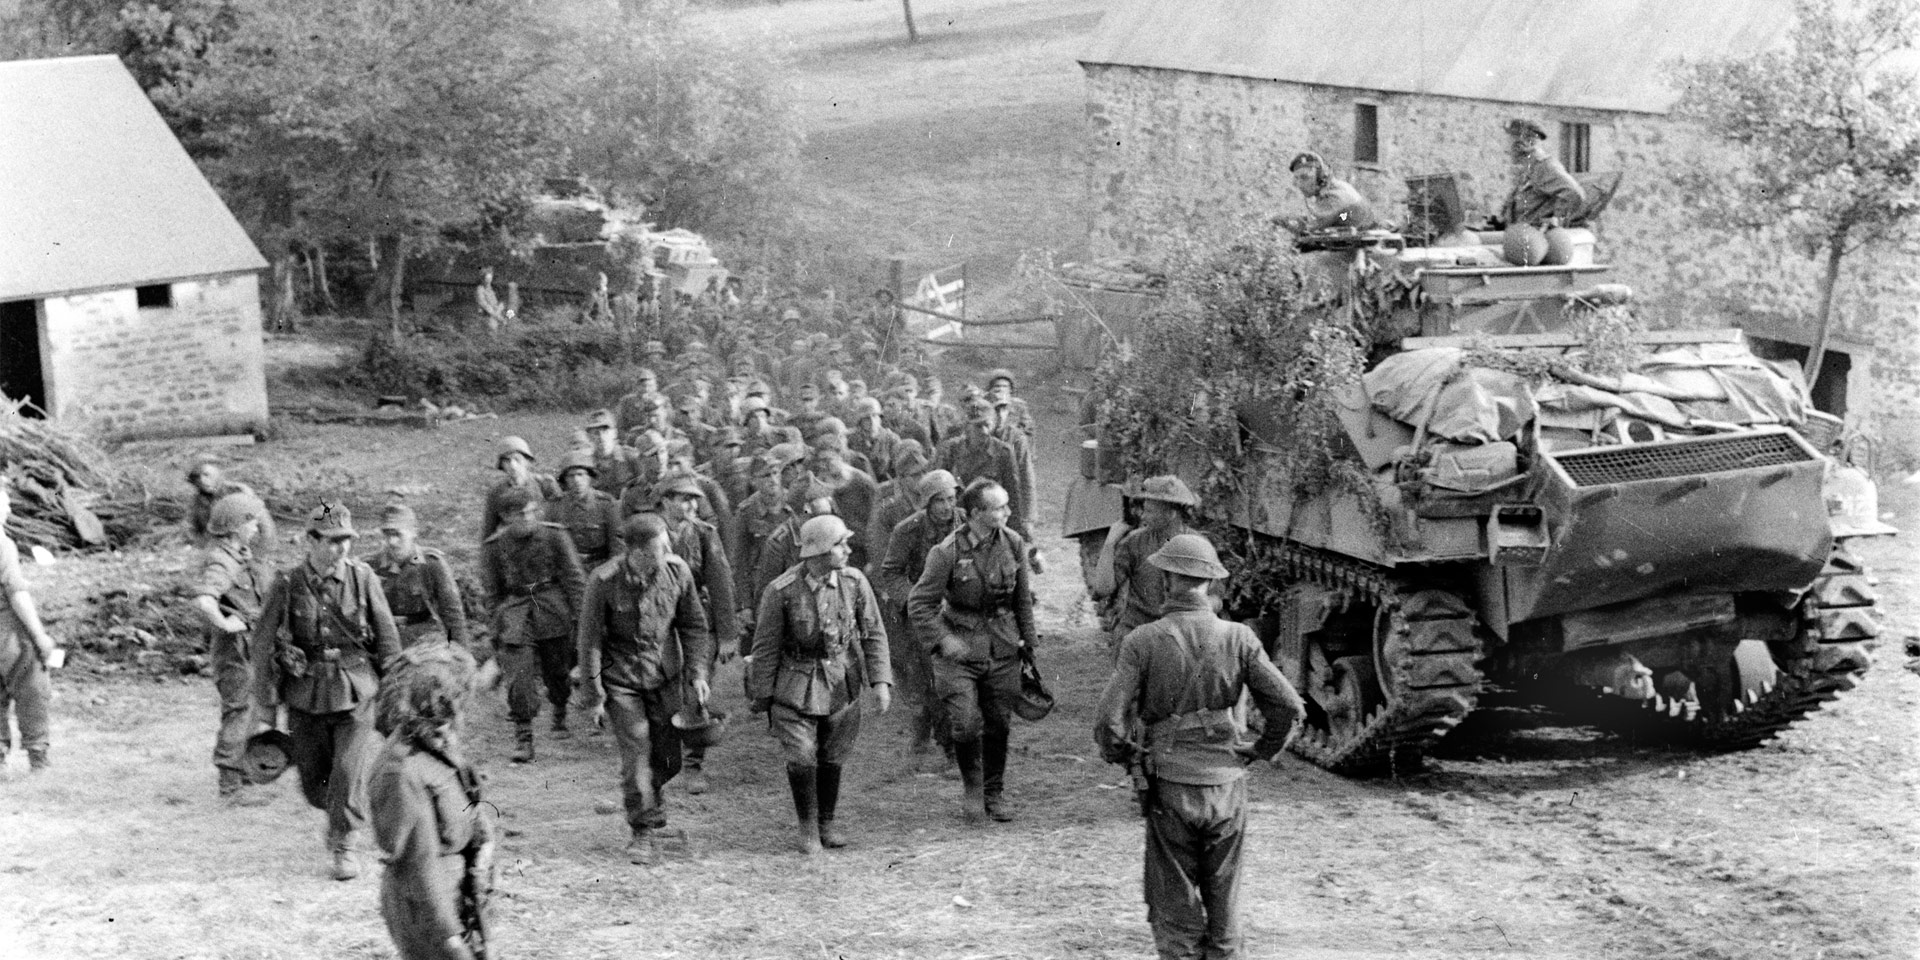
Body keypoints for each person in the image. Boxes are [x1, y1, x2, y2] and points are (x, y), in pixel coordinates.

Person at [1094, 534, 1306, 960]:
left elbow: (1109, 723)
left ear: (1169, 579)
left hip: (1171, 782)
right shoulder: (1239, 637)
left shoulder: (1143, 640)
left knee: (1174, 904)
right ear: (1209, 582)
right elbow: (1288, 705)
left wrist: (1128, 758)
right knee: (1225, 898)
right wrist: (1262, 749)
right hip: (1227, 785)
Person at [252, 502, 402, 880]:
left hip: (356, 688)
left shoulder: (363, 578)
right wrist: (267, 704)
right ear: (311, 540)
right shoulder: (287, 584)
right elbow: (262, 644)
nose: (342, 549)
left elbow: (387, 639)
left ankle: (344, 842)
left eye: (347, 541)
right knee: (315, 783)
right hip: (304, 692)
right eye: (333, 541)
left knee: (348, 770)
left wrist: (396, 693)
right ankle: (335, 814)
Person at [575, 513, 714, 865]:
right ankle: (642, 829)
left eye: (668, 545)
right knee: (637, 751)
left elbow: (694, 626)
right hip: (621, 679)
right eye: (660, 547)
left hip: (665, 674)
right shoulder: (604, 581)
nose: (669, 551)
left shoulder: (677, 572)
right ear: (635, 551)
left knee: (668, 758)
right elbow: (589, 641)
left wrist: (698, 674)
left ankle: (652, 798)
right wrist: (594, 696)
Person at [749, 515, 892, 854]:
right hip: (795, 684)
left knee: (832, 756)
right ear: (819, 552)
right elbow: (765, 648)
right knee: (801, 757)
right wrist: (762, 697)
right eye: (840, 544)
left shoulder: (855, 582)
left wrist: (880, 681)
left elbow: (873, 633)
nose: (847, 550)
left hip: (841, 680)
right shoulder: (781, 591)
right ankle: (807, 828)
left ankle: (826, 822)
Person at [907, 479, 1037, 823]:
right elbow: (919, 604)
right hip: (960, 648)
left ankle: (994, 793)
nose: (1007, 512)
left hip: (1003, 646)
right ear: (976, 513)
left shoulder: (1013, 542)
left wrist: (1030, 644)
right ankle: (973, 792)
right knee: (964, 722)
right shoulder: (947, 551)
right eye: (998, 508)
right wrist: (943, 639)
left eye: (1007, 506)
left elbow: (1022, 599)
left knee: (999, 723)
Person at [369, 643, 495, 960]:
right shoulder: (402, 771)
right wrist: (449, 938)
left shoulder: (434, 744)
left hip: (459, 895)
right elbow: (419, 866)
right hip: (428, 910)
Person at [479, 486, 586, 762]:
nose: (528, 518)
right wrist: (498, 625)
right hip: (515, 612)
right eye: (520, 514)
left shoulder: (555, 536)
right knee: (519, 676)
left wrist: (581, 617)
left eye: (531, 512)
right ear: (505, 517)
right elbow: (491, 593)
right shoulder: (494, 547)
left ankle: (560, 706)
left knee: (557, 671)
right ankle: (523, 735)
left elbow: (574, 578)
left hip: (551, 608)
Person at [653, 470, 738, 795]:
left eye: (694, 499)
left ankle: (693, 764)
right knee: (661, 689)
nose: (691, 505)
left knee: (697, 686)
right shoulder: (649, 532)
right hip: (658, 623)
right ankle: (664, 758)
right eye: (684, 498)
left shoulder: (704, 534)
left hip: (698, 621)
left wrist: (728, 633)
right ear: (664, 501)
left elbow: (720, 581)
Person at [187, 491, 272, 803]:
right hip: (235, 650)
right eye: (250, 521)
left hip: (251, 646)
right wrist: (224, 623)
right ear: (237, 527)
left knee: (253, 709)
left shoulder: (240, 555)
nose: (255, 527)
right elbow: (204, 599)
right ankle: (230, 787)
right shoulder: (221, 560)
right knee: (239, 710)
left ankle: (242, 773)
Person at [878, 469, 961, 760]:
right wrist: (915, 601)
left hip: (959, 607)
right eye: (939, 500)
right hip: (920, 614)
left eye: (951, 499)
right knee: (930, 681)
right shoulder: (907, 530)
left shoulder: (968, 524)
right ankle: (944, 742)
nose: (946, 507)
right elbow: (891, 572)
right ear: (926, 503)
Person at [0, 485, 64, 773]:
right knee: (31, 687)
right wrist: (39, 635)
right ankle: (38, 757)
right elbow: (16, 593)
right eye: (5, 505)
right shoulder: (3, 544)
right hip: (6, 631)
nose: (10, 510)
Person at [1101, 476, 1203, 645]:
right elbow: (1103, 588)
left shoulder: (1198, 546)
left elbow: (1216, 599)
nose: (1142, 516)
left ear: (1170, 513)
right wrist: (1109, 544)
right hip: (1140, 629)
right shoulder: (1135, 542)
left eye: (1149, 511)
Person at [369, 503, 472, 653]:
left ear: (413, 533)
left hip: (423, 643)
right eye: (387, 534)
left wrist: (462, 656)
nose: (392, 541)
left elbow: (452, 615)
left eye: (397, 534)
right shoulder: (371, 566)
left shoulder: (431, 564)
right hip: (383, 641)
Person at [936, 397, 1031, 540]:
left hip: (991, 520)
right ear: (967, 427)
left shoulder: (1003, 452)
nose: (985, 431)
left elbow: (1013, 495)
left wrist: (1016, 531)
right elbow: (939, 488)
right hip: (956, 521)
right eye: (979, 426)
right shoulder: (951, 450)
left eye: (988, 425)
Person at [1500, 119, 1586, 229]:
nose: (1506, 150)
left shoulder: (1544, 167)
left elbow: (1573, 193)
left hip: (1534, 238)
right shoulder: (1529, 168)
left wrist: (1555, 224)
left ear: (1521, 145)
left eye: (1508, 140)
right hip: (1520, 234)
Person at [549, 451, 625, 571]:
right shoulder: (556, 506)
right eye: (571, 476)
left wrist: (611, 571)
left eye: (581, 474)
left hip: (602, 567)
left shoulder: (606, 504)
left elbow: (618, 545)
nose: (577, 480)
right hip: (569, 571)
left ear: (589, 477)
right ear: (565, 480)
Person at [1273, 151, 1378, 233]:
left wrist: (1280, 220)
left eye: (1305, 178)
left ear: (1320, 178)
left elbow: (1310, 227)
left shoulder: (1335, 197)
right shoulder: (1333, 188)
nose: (1299, 184)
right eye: (1297, 178)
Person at [480, 436, 561, 542]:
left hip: (545, 543)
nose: (513, 466)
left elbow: (560, 522)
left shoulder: (545, 484)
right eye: (507, 461)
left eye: (517, 459)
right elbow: (489, 534)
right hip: (513, 545)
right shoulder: (496, 492)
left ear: (527, 461)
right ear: (502, 465)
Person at [185, 462, 277, 553]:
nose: (202, 480)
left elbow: (264, 522)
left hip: (247, 545)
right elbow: (195, 530)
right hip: (219, 547)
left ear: (216, 473)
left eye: (206, 475)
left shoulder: (238, 491)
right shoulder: (198, 501)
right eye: (197, 477)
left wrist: (262, 551)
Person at [584, 409, 644, 498]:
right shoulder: (586, 465)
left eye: (605, 431)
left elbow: (645, 486)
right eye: (596, 433)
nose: (601, 437)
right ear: (589, 437)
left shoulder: (630, 458)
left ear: (615, 433)